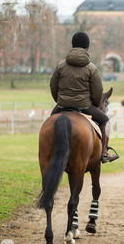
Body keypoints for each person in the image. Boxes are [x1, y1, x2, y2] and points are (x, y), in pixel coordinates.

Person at [50, 31, 118, 163]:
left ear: (72, 45)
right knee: (105, 121)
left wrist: (59, 102)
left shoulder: (60, 66)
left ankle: (49, 153)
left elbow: (53, 86)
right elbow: (98, 92)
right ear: (87, 47)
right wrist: (94, 103)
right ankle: (104, 152)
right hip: (85, 106)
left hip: (62, 104)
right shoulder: (91, 68)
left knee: (48, 124)